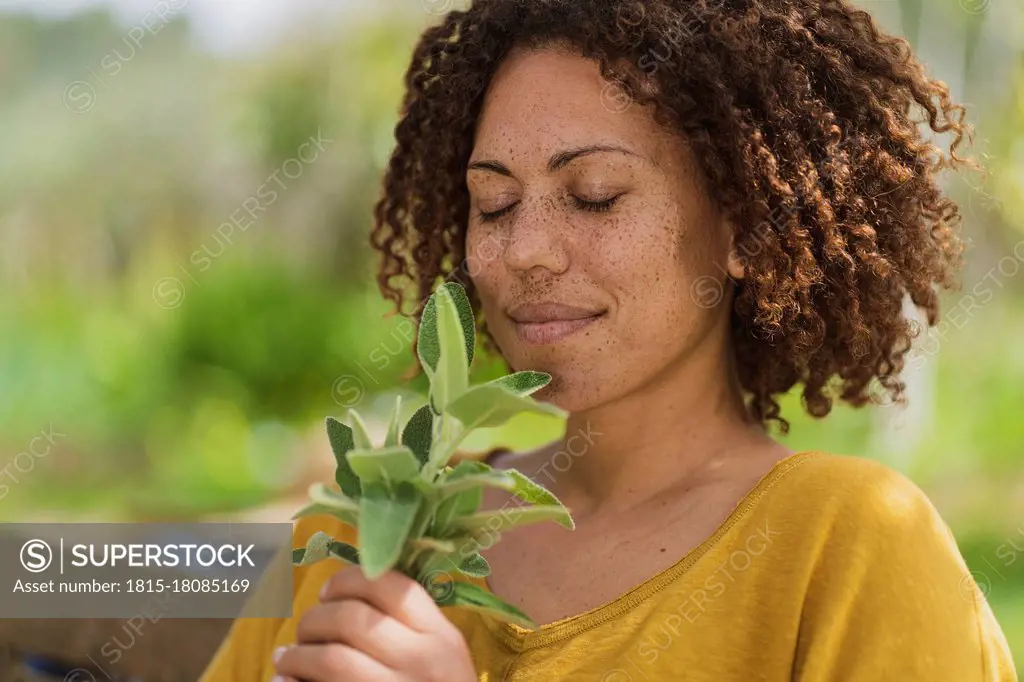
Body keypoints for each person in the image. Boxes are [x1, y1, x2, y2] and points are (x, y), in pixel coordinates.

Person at [200, 0, 1018, 680]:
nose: (525, 251)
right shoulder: (357, 538)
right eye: (493, 204)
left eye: (593, 196)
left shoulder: (851, 547)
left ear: (743, 225)